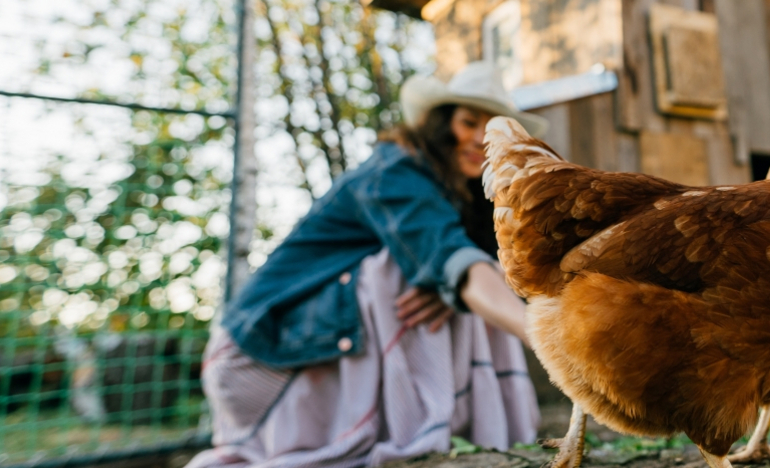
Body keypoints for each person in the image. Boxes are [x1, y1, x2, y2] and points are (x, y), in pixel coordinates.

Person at [186, 61, 549, 468]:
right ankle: (423, 429)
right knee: (401, 272)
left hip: (314, 345)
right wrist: (550, 339)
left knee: (471, 276)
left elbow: (467, 267)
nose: (480, 139)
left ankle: (449, 428)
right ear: (438, 124)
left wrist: (454, 289)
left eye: (493, 131)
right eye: (469, 123)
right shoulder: (393, 171)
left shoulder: (464, 196)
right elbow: (454, 262)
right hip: (258, 355)